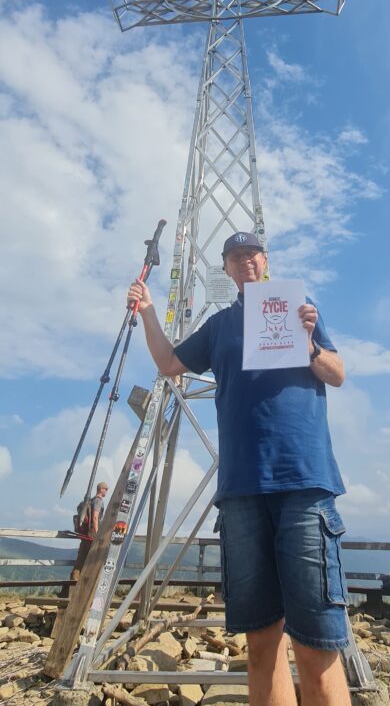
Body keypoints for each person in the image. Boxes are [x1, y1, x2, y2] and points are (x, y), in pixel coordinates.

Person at [128, 231, 350, 706]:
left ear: (265, 261)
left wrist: (310, 346)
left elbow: (337, 373)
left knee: (317, 647)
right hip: (242, 491)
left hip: (304, 482)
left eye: (252, 253)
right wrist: (147, 310)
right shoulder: (219, 326)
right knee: (260, 646)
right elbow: (169, 363)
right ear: (226, 269)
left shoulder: (301, 309)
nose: (245, 260)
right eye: (235, 256)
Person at [70, 481, 109, 581]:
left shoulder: (90, 501)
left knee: (81, 558)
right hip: (92, 534)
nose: (107, 491)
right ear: (101, 489)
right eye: (106, 489)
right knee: (94, 559)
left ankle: (73, 581)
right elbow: (95, 517)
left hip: (85, 534)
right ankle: (89, 582)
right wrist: (97, 534)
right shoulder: (98, 501)